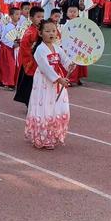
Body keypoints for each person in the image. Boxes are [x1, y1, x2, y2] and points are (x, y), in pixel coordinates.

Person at [25, 19, 74, 150]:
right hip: (44, 82)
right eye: (47, 31)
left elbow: (65, 60)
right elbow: (46, 68)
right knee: (44, 107)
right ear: (40, 33)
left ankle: (51, 135)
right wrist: (59, 79)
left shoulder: (57, 47)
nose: (51, 33)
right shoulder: (40, 50)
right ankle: (41, 137)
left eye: (53, 30)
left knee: (57, 107)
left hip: (57, 81)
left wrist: (70, 65)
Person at [14, 6, 45, 106]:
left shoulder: (44, 30)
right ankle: (30, 105)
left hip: (41, 63)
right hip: (31, 63)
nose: (41, 19)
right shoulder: (29, 32)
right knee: (30, 85)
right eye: (38, 17)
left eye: (42, 17)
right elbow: (24, 48)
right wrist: (31, 59)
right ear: (31, 18)